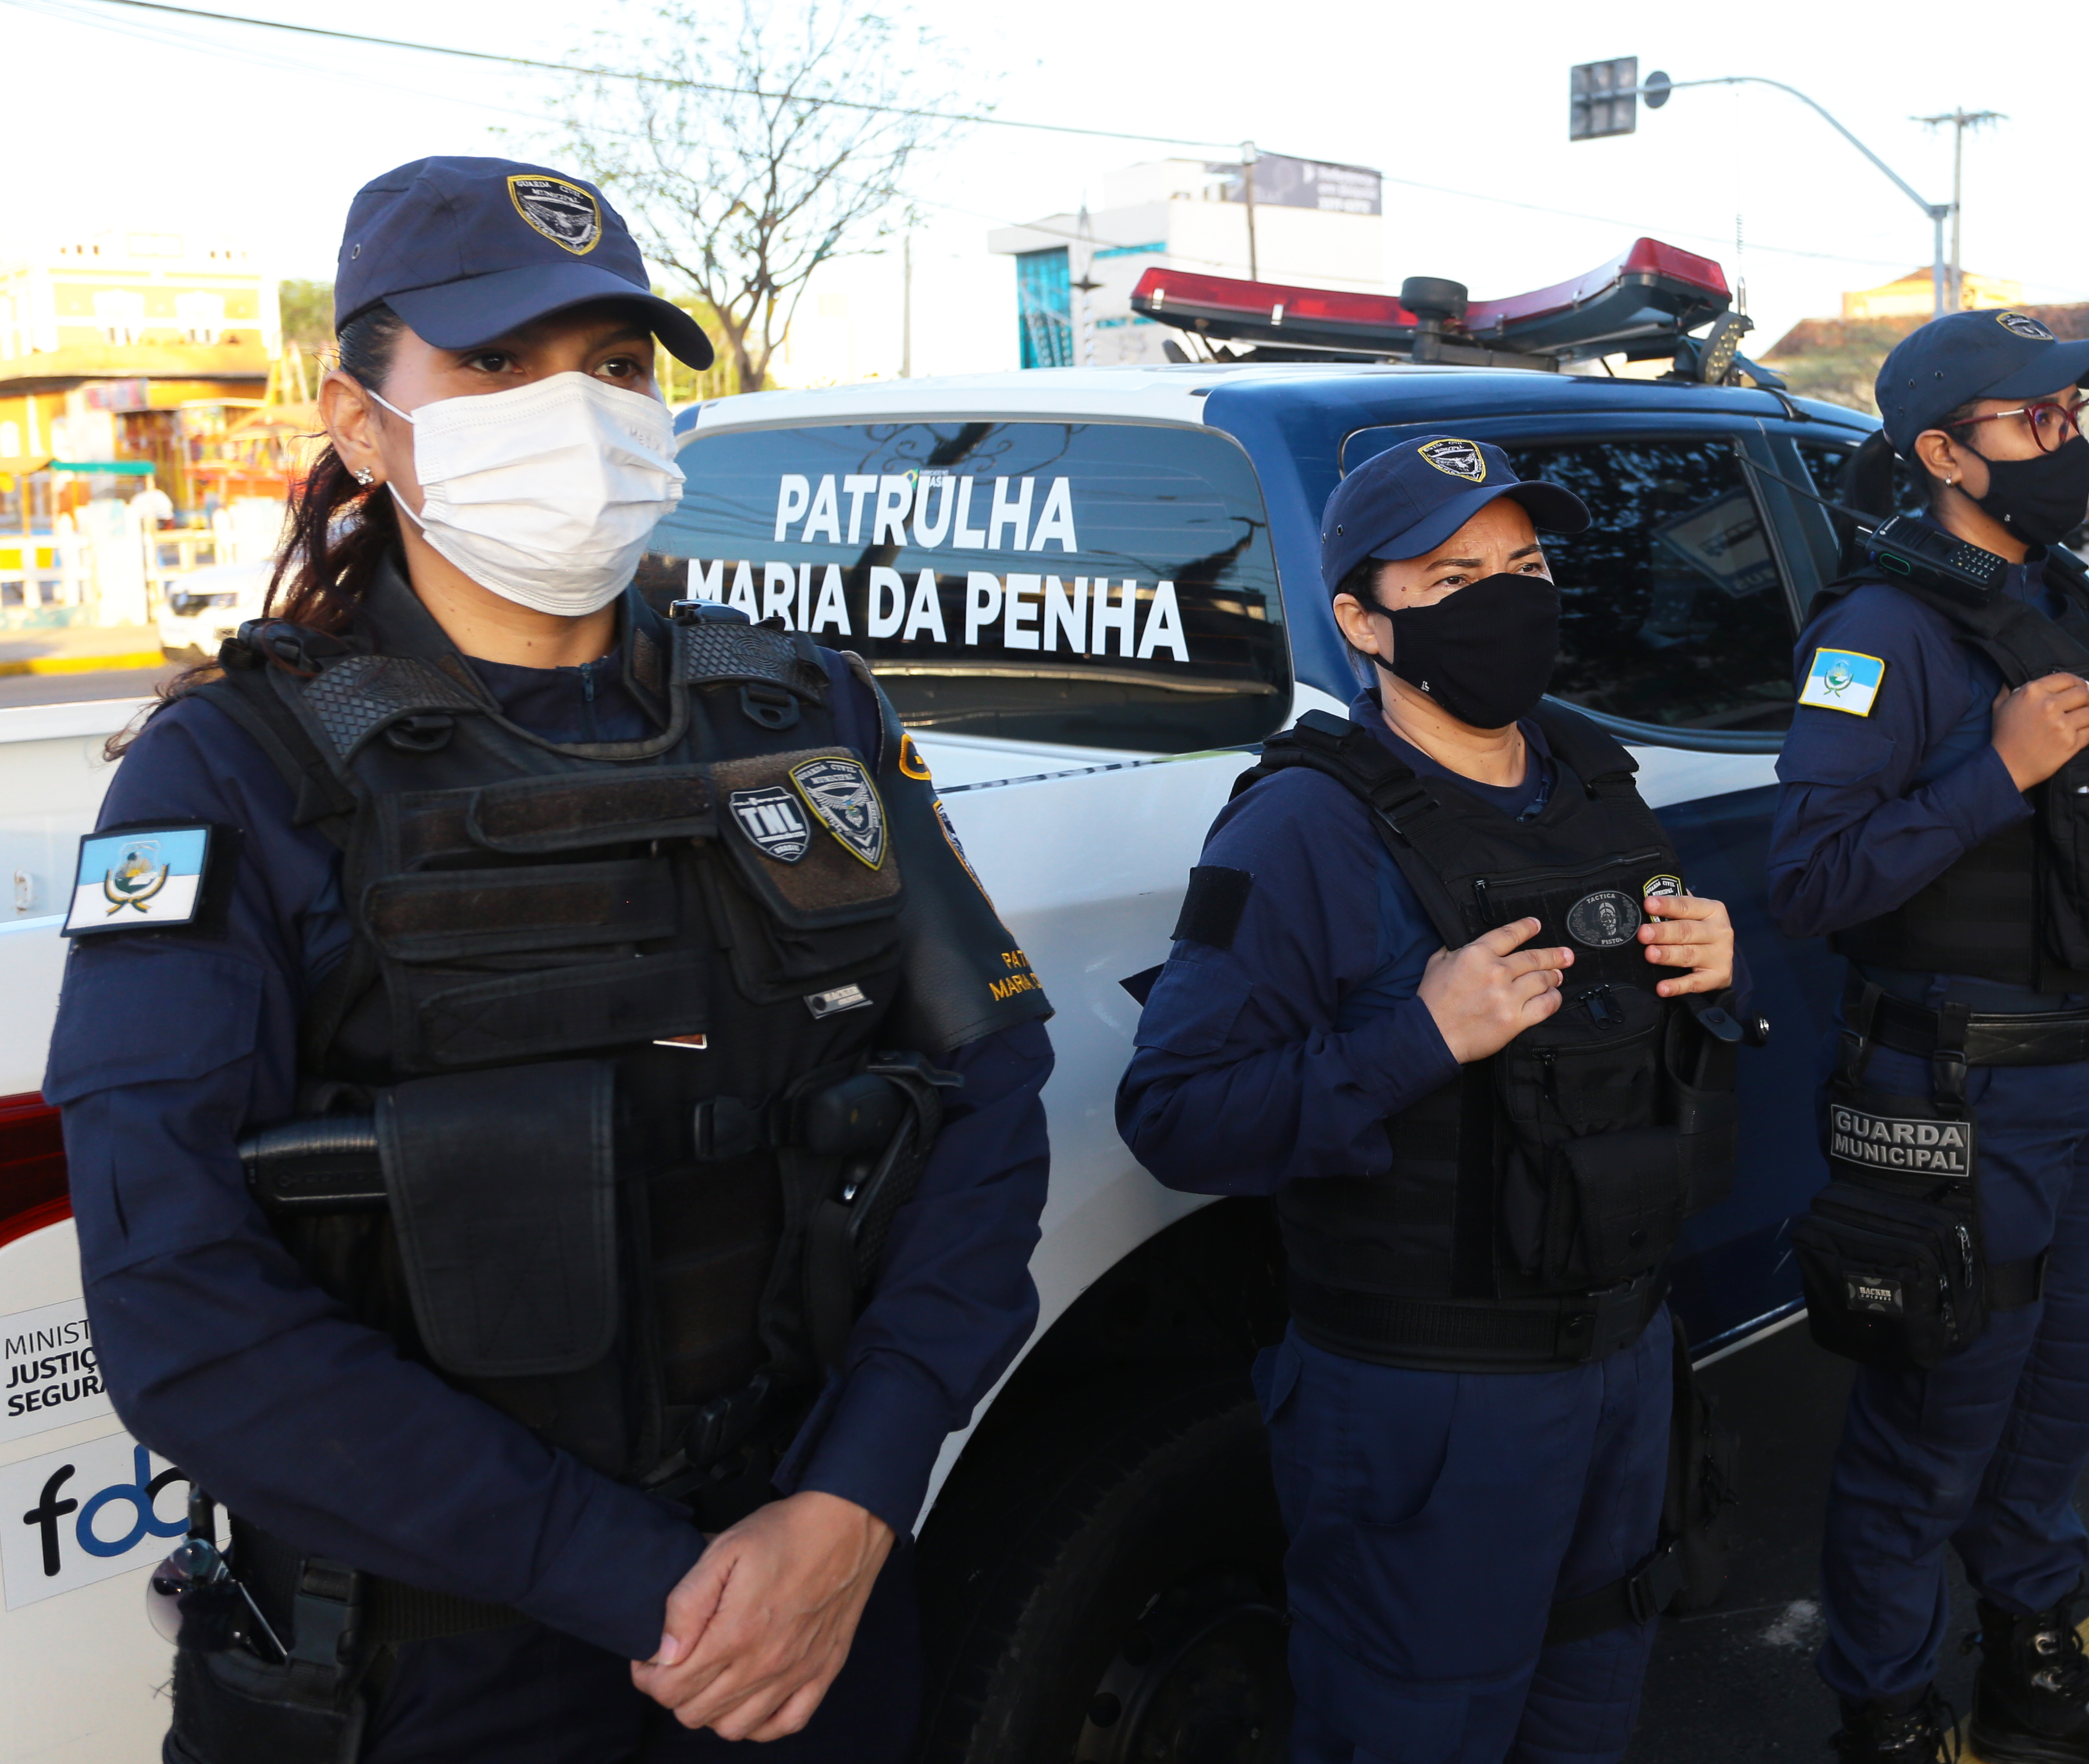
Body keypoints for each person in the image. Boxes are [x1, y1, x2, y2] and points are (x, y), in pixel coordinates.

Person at [45, 156, 1054, 1763]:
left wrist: (857, 1492)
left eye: (615, 365)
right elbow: (181, 1295)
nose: (573, 411)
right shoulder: (227, 770)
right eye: (498, 364)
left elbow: (990, 1094)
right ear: (361, 417)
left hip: (811, 1610)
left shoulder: (806, 713)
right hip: (444, 1667)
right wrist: (656, 1589)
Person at [1117, 438, 1742, 1763]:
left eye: (1524, 565)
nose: (1507, 598)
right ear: (1361, 620)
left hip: (1620, 1360)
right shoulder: (1299, 829)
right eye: (1454, 576)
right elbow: (1173, 1112)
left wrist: (1719, 968)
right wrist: (1416, 1036)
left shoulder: (1592, 773)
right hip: (1430, 1400)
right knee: (1417, 1723)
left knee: (1590, 1700)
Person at [1771, 309, 2089, 1764]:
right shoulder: (1877, 630)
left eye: (2075, 418)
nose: (2068, 442)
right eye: (2034, 421)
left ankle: (2028, 1657)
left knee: (2062, 1397)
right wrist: (1997, 768)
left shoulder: (2075, 601)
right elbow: (1811, 878)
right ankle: (1888, 1710)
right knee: (1935, 1422)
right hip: (1961, 1091)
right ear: (1941, 452)